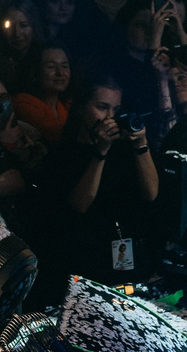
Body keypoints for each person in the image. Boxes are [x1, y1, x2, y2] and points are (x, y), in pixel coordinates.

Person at [28, 74, 160, 298]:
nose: (110, 117)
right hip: (87, 263)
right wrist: (101, 151)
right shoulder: (62, 155)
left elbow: (151, 193)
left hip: (129, 260)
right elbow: (79, 204)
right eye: (102, 107)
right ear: (81, 108)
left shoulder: (125, 149)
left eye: (115, 110)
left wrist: (141, 143)